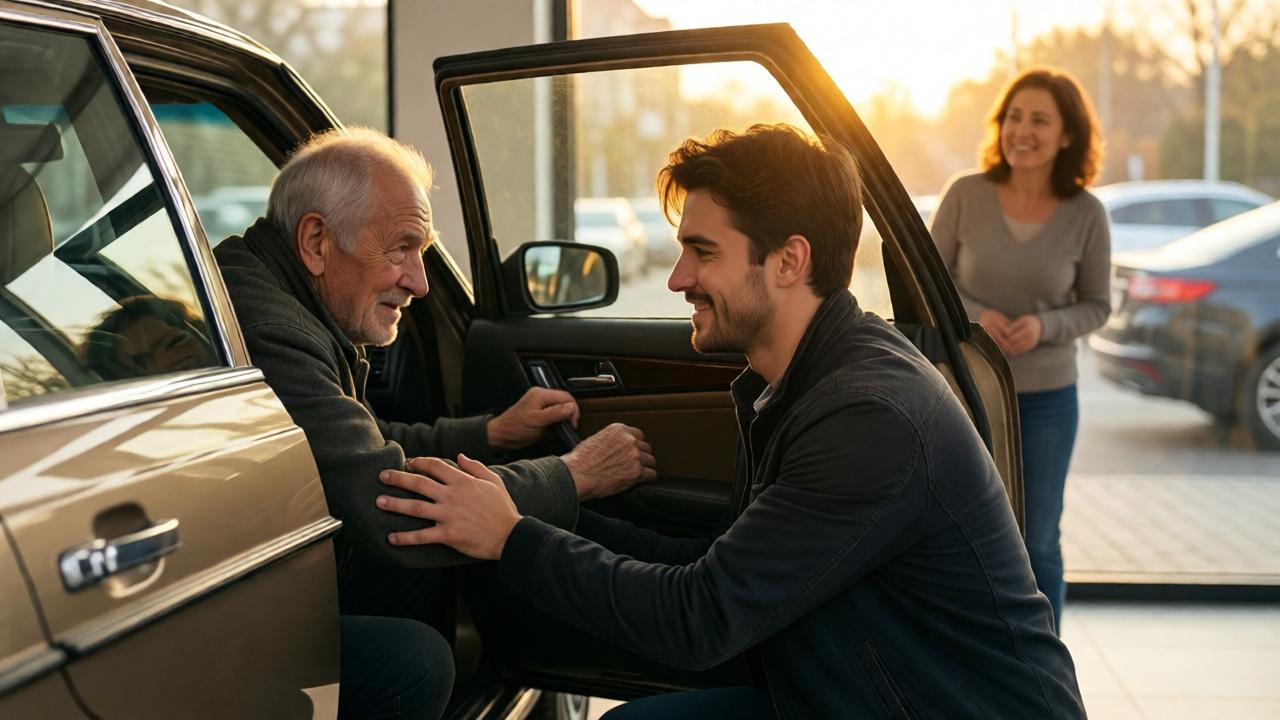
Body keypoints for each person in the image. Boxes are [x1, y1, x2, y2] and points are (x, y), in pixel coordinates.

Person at [373, 124, 1085, 719]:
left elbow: (700, 617)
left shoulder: (868, 417)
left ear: (789, 261)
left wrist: (510, 537)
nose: (678, 278)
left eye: (703, 252)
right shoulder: (801, 383)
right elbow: (713, 562)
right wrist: (532, 509)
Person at [213, 127, 656, 718]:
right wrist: (573, 475)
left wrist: (490, 434)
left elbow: (360, 443)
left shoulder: (273, 295)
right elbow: (387, 503)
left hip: (244, 584)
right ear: (316, 241)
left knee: (427, 572)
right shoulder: (276, 332)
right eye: (402, 249)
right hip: (221, 629)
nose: (420, 283)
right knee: (415, 662)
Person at [929, 67, 1111, 633]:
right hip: (965, 392)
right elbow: (925, 283)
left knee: (1038, 541)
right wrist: (976, 317)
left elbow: (1098, 305)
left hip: (1049, 399)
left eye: (1039, 120)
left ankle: (1040, 663)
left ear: (1067, 135)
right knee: (961, 534)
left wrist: (1044, 325)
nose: (1022, 130)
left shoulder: (1087, 214)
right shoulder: (965, 194)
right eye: (1013, 117)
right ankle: (973, 651)